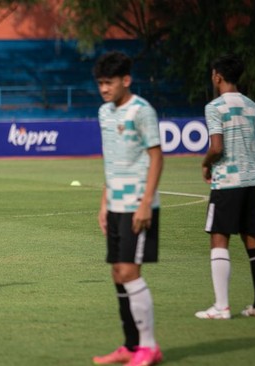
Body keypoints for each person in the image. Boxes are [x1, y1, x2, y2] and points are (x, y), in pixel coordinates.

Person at [91, 51, 164, 366]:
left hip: (138, 205)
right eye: (100, 83)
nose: (104, 89)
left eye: (109, 83)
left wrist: (146, 203)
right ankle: (131, 346)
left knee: (131, 272)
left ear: (126, 80)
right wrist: (104, 202)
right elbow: (112, 159)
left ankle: (149, 347)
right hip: (116, 204)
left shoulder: (142, 111)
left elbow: (157, 156)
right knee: (118, 273)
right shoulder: (105, 113)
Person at [195, 54, 255, 320]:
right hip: (251, 181)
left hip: (226, 182)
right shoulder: (254, 107)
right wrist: (254, 173)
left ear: (217, 76)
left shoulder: (215, 107)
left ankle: (221, 306)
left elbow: (216, 147)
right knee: (253, 242)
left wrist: (205, 164)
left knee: (218, 238)